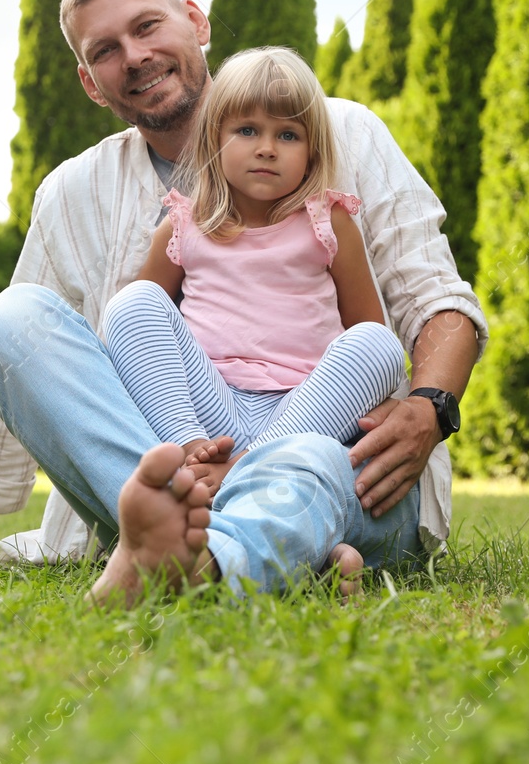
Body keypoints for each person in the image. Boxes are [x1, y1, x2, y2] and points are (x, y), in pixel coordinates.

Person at [0, 0, 486, 607]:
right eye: (106, 50)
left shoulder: (343, 132)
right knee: (11, 322)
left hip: (335, 464)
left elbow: (437, 300)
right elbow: (20, 380)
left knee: (320, 448)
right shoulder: (72, 193)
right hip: (182, 446)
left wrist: (429, 408)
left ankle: (198, 546)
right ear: (89, 81)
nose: (134, 56)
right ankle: (220, 541)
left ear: (195, 22)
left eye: (147, 26)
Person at [98, 46, 408, 588]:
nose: (266, 149)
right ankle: (194, 467)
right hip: (208, 409)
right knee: (131, 303)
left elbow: (369, 339)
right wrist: (194, 436)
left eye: (287, 135)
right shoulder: (184, 225)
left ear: (313, 151)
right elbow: (144, 330)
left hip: (303, 415)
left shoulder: (328, 220)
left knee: (378, 345)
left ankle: (244, 485)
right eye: (246, 131)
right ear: (214, 138)